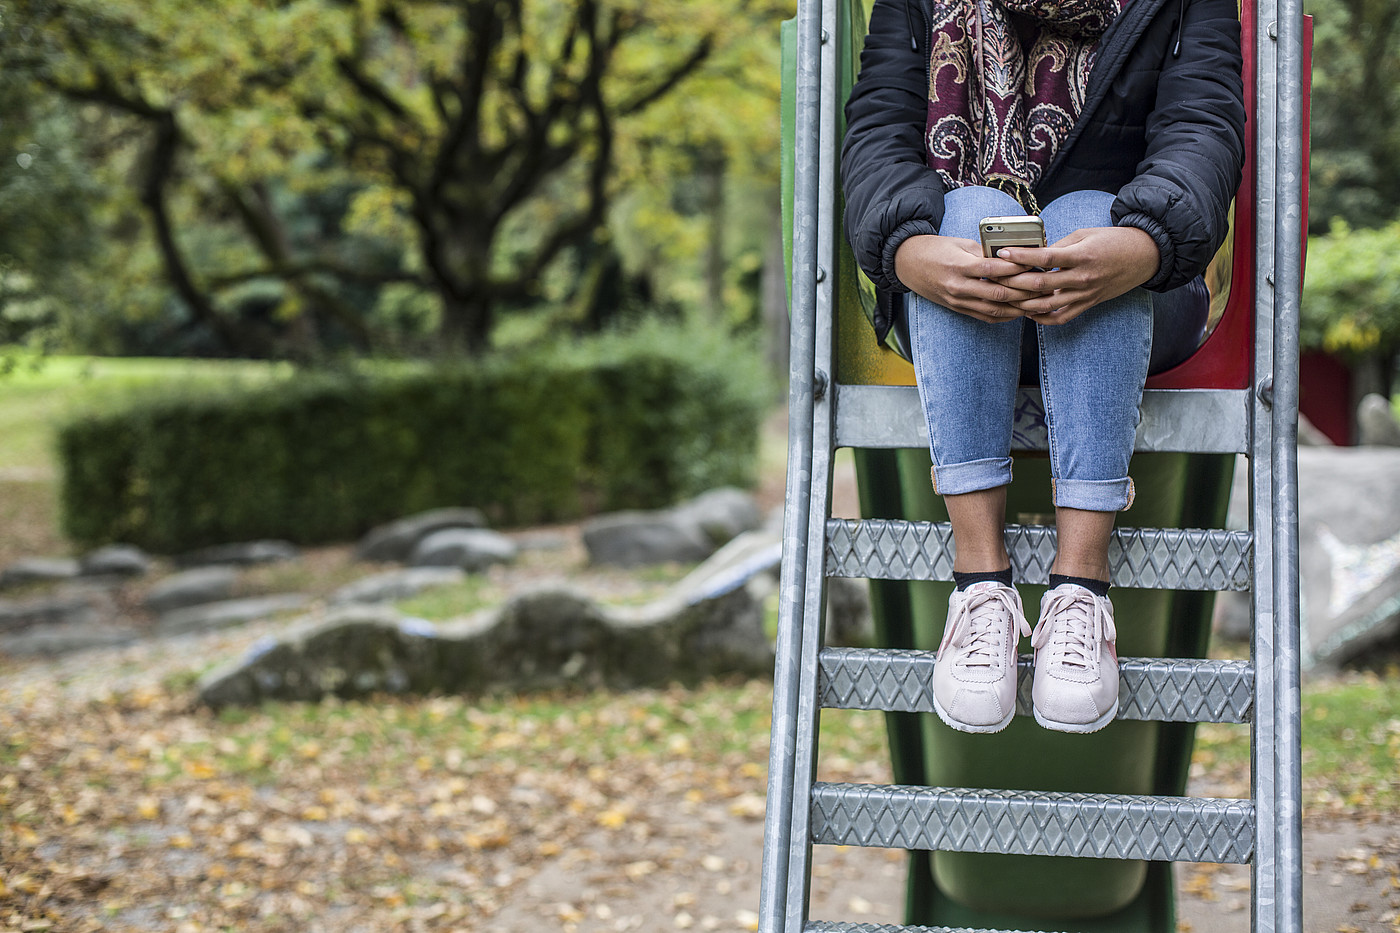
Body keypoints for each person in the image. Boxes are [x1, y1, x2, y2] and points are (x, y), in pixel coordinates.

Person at [840, 0, 1246, 734]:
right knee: (964, 213)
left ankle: (1082, 588)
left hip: (1136, 291)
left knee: (1091, 208)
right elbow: (876, 133)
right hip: (956, 292)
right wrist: (906, 249)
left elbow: (1204, 128)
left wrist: (1144, 242)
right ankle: (981, 585)